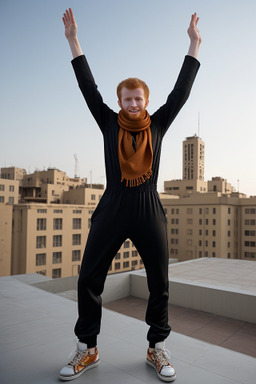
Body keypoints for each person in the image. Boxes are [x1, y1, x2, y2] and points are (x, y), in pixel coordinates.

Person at [59, 8, 201, 382]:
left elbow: (181, 92)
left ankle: (157, 348)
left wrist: (194, 44)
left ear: (146, 102)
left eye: (138, 99)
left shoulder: (159, 125)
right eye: (127, 99)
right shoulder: (108, 123)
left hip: (148, 210)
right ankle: (86, 349)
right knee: (89, 277)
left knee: (160, 282)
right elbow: (87, 86)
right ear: (119, 101)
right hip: (112, 208)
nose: (133, 104)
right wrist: (74, 40)